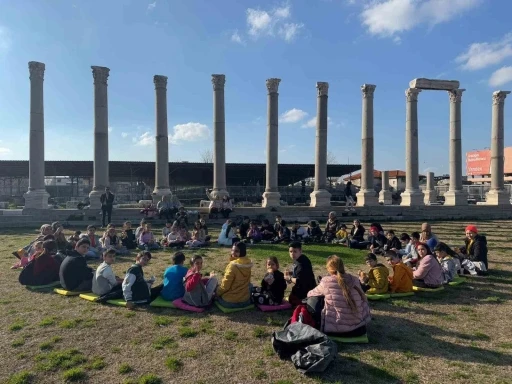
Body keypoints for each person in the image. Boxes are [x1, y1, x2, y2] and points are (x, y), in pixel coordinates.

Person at [307, 255, 371, 337]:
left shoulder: (326, 281)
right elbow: (363, 298)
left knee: (313, 300)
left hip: (334, 330)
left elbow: (310, 294)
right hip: (358, 328)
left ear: (329, 268)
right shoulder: (354, 279)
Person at [216, 242, 253, 308]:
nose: (233, 253)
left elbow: (225, 286)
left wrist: (216, 293)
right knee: (250, 285)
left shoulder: (232, 266)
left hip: (230, 302)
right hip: (245, 301)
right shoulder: (248, 263)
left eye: (236, 251)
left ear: (242, 252)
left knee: (216, 289)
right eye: (232, 250)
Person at [286, 241, 317, 306]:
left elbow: (299, 281)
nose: (292, 254)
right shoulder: (299, 259)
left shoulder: (302, 263)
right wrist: (291, 273)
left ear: (300, 251)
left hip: (306, 290)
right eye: (290, 251)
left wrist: (289, 278)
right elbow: (299, 273)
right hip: (303, 287)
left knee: (292, 300)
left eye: (295, 251)